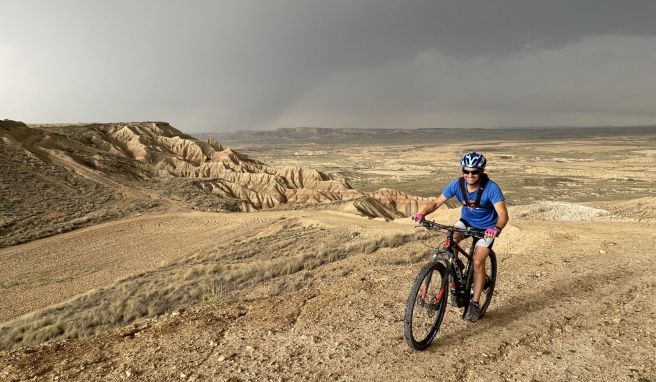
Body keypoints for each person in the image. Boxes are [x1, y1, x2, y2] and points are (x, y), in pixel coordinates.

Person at [412, 152, 508, 323]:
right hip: (466, 222)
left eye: (475, 172)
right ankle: (457, 272)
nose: (470, 175)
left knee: (478, 261)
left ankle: (474, 303)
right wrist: (421, 213)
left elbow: (502, 214)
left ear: (481, 171)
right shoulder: (457, 185)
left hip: (487, 229)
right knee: (450, 242)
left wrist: (496, 228)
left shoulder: (491, 188)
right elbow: (435, 203)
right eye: (467, 171)